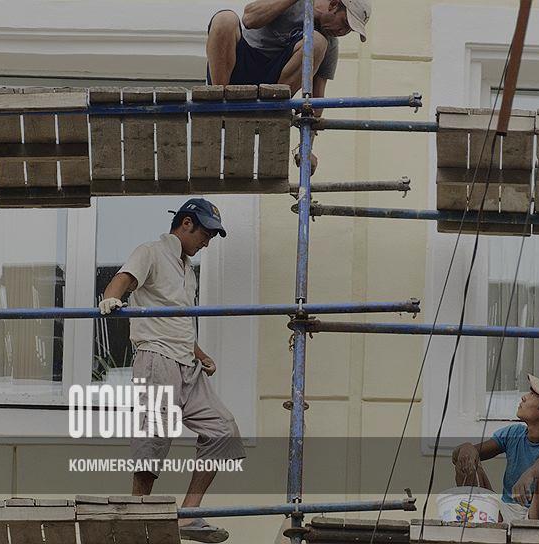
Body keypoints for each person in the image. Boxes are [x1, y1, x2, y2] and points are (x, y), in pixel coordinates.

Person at [99, 198, 244, 543]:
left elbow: (178, 320)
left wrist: (201, 354)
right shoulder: (150, 251)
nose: (207, 242)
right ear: (187, 223)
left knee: (223, 430)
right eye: (206, 234)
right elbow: (121, 280)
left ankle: (189, 516)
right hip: (156, 358)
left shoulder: (187, 269)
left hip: (186, 363)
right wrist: (110, 298)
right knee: (153, 439)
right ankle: (138, 520)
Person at [205, 0, 372, 174]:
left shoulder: (328, 44)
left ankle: (269, 109)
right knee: (225, 19)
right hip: (236, 70)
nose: (341, 32)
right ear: (334, 5)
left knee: (317, 42)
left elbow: (316, 103)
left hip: (270, 89)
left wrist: (307, 149)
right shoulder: (294, 5)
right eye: (344, 23)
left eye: (349, 30)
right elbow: (248, 19)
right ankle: (221, 103)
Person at [451, 375, 539, 522]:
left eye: (532, 394)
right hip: (507, 512)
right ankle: (481, 525)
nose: (524, 397)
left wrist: (530, 474)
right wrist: (466, 448)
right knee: (467, 460)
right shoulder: (514, 433)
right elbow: (459, 455)